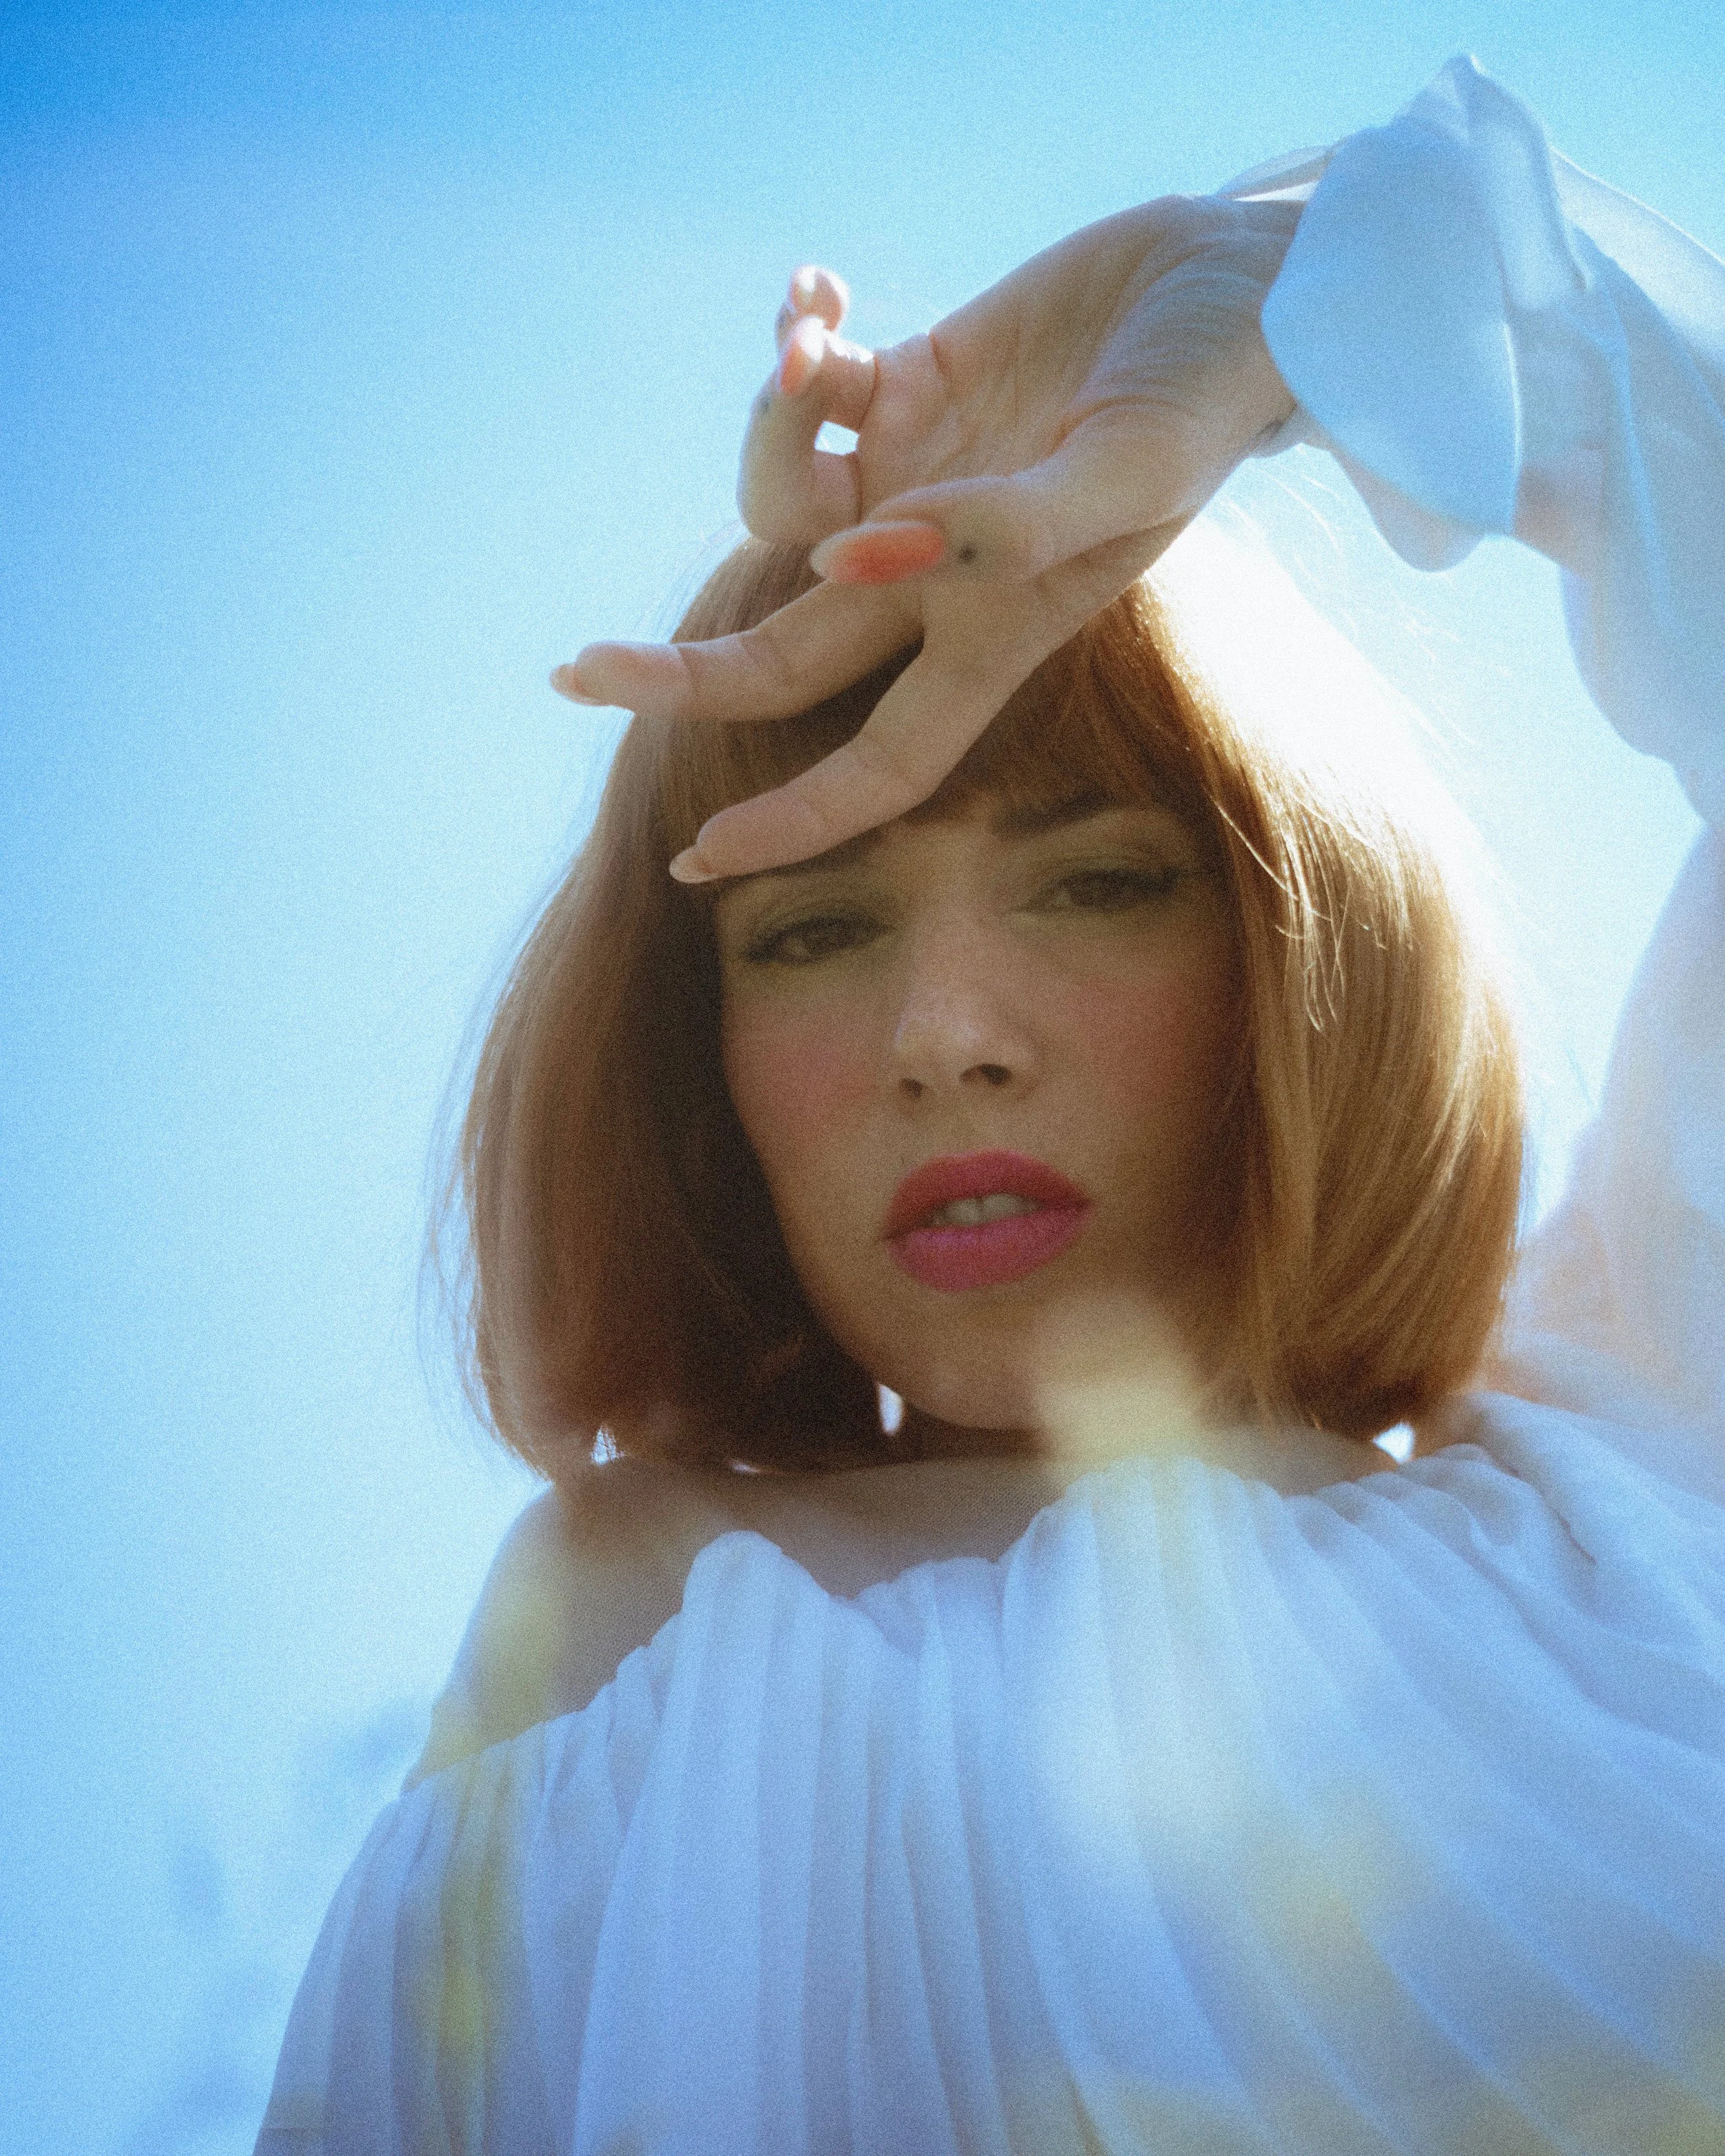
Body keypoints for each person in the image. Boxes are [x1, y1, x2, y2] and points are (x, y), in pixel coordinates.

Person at [256, 58, 1725, 2154]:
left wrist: (1285, 294)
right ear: (700, 1079)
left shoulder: (1652, 1502)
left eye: (1103, 880)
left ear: (1298, 957)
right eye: (809, 931)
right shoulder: (625, 1654)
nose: (945, 1031)